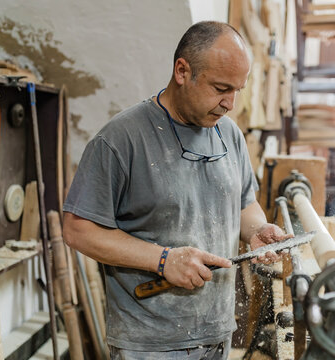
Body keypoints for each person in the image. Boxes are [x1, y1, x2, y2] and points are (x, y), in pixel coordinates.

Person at [63, 21, 290, 360]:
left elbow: (244, 202)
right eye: (220, 88)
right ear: (182, 71)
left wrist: (256, 229)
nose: (229, 103)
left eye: (237, 90)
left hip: (217, 331)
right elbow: (77, 230)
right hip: (150, 342)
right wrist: (163, 259)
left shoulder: (229, 135)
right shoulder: (121, 140)